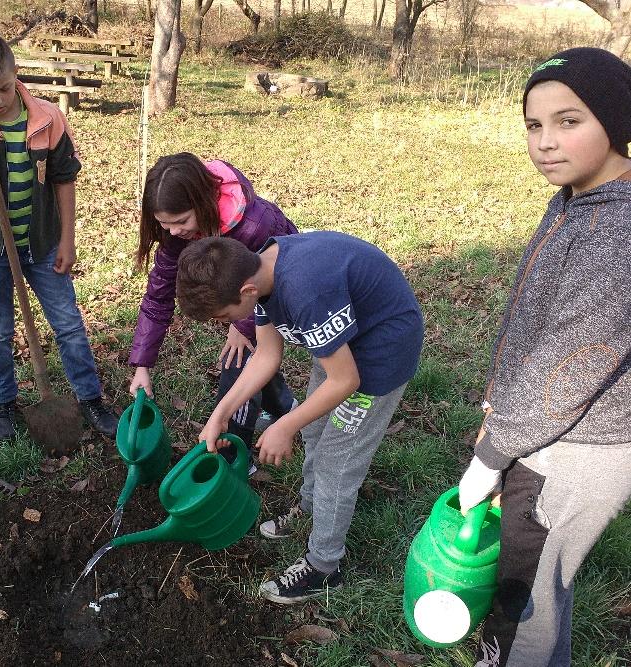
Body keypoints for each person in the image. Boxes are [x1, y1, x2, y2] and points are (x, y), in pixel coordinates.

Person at [457, 48, 631, 667]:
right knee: (527, 560)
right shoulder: (575, 200)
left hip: (581, 444)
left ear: (617, 122)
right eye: (534, 125)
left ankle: (517, 655)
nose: (545, 142)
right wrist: (498, 416)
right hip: (539, 428)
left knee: (531, 587)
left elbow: (572, 364)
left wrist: (494, 452)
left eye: (569, 121)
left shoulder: (616, 233)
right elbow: (540, 331)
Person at [176, 232, 423, 604]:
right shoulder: (260, 273)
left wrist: (283, 424)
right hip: (340, 348)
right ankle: (312, 506)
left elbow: (346, 380)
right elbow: (265, 356)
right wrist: (220, 413)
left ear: (244, 291)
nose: (222, 323)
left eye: (223, 315)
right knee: (314, 428)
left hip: (379, 354)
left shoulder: (305, 291)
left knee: (335, 464)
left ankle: (324, 567)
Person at [0, 31, 117, 440]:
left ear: (15, 73)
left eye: (3, 88)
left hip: (42, 243)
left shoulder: (46, 117)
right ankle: (4, 405)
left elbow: (64, 179)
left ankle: (90, 398)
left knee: (68, 322)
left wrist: (67, 239)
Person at [130, 153, 299, 459]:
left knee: (239, 361)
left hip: (277, 294)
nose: (173, 232)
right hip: (238, 299)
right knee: (258, 357)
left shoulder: (253, 225)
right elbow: (158, 296)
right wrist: (142, 365)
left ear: (205, 200)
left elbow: (276, 277)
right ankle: (285, 407)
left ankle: (232, 456)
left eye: (180, 221)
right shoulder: (178, 234)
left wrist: (243, 326)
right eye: (163, 224)